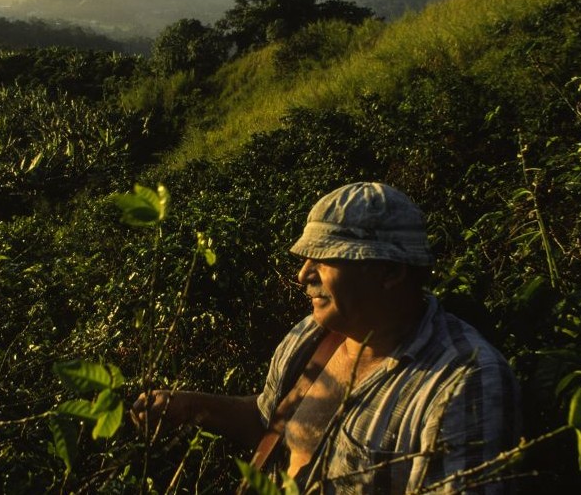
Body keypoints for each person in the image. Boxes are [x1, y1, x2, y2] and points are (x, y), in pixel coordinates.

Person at [132, 182, 521, 493]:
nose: (303, 275)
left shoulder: (461, 382)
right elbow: (269, 421)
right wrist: (189, 406)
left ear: (389, 272)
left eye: (324, 259)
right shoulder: (314, 333)